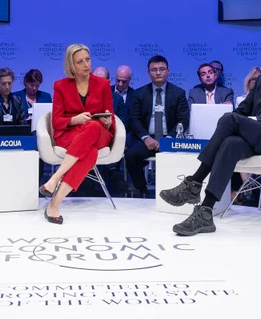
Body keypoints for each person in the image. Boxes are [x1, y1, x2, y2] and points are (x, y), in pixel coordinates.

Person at [160, 29, 261, 235]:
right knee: (231, 143)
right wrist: (244, 122)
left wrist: (250, 122)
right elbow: (243, 110)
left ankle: (194, 182)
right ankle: (205, 212)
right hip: (257, 136)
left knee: (229, 119)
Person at [40, 44, 115, 223]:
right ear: (71, 65)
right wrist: (74, 120)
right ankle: (54, 205)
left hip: (98, 133)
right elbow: (56, 121)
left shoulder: (103, 84)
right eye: (80, 62)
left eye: (87, 60)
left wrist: (108, 121)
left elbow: (110, 115)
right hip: (71, 134)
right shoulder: (60, 86)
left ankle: (55, 177)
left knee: (93, 126)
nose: (86, 65)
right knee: (90, 153)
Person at [125, 55, 189, 196]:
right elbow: (134, 119)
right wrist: (146, 137)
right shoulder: (139, 93)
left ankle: (173, 192)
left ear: (168, 71)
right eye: (154, 70)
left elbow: (183, 120)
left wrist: (169, 139)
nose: (158, 73)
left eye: (162, 69)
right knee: (130, 155)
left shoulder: (179, 93)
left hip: (170, 138)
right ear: (148, 73)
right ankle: (142, 190)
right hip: (147, 138)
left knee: (184, 157)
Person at [112, 65, 133, 129]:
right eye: (118, 80)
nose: (120, 84)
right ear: (115, 77)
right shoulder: (107, 91)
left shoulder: (135, 96)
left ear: (130, 79)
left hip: (128, 132)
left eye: (124, 81)